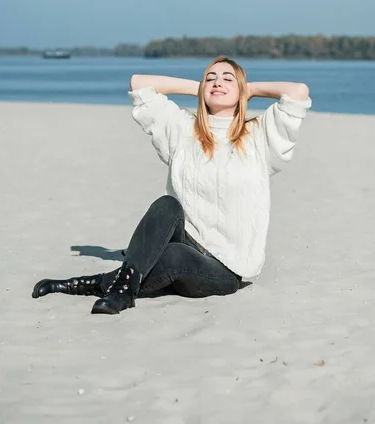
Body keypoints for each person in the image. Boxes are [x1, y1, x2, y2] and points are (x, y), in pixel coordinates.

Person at [32, 56, 311, 315]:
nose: (217, 82)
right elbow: (139, 83)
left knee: (171, 255)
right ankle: (122, 291)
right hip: (185, 240)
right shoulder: (183, 129)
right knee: (167, 206)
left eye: (228, 78)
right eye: (210, 77)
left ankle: (94, 284)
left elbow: (298, 91)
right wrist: (198, 89)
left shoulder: (258, 135)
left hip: (224, 268)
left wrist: (247, 89)